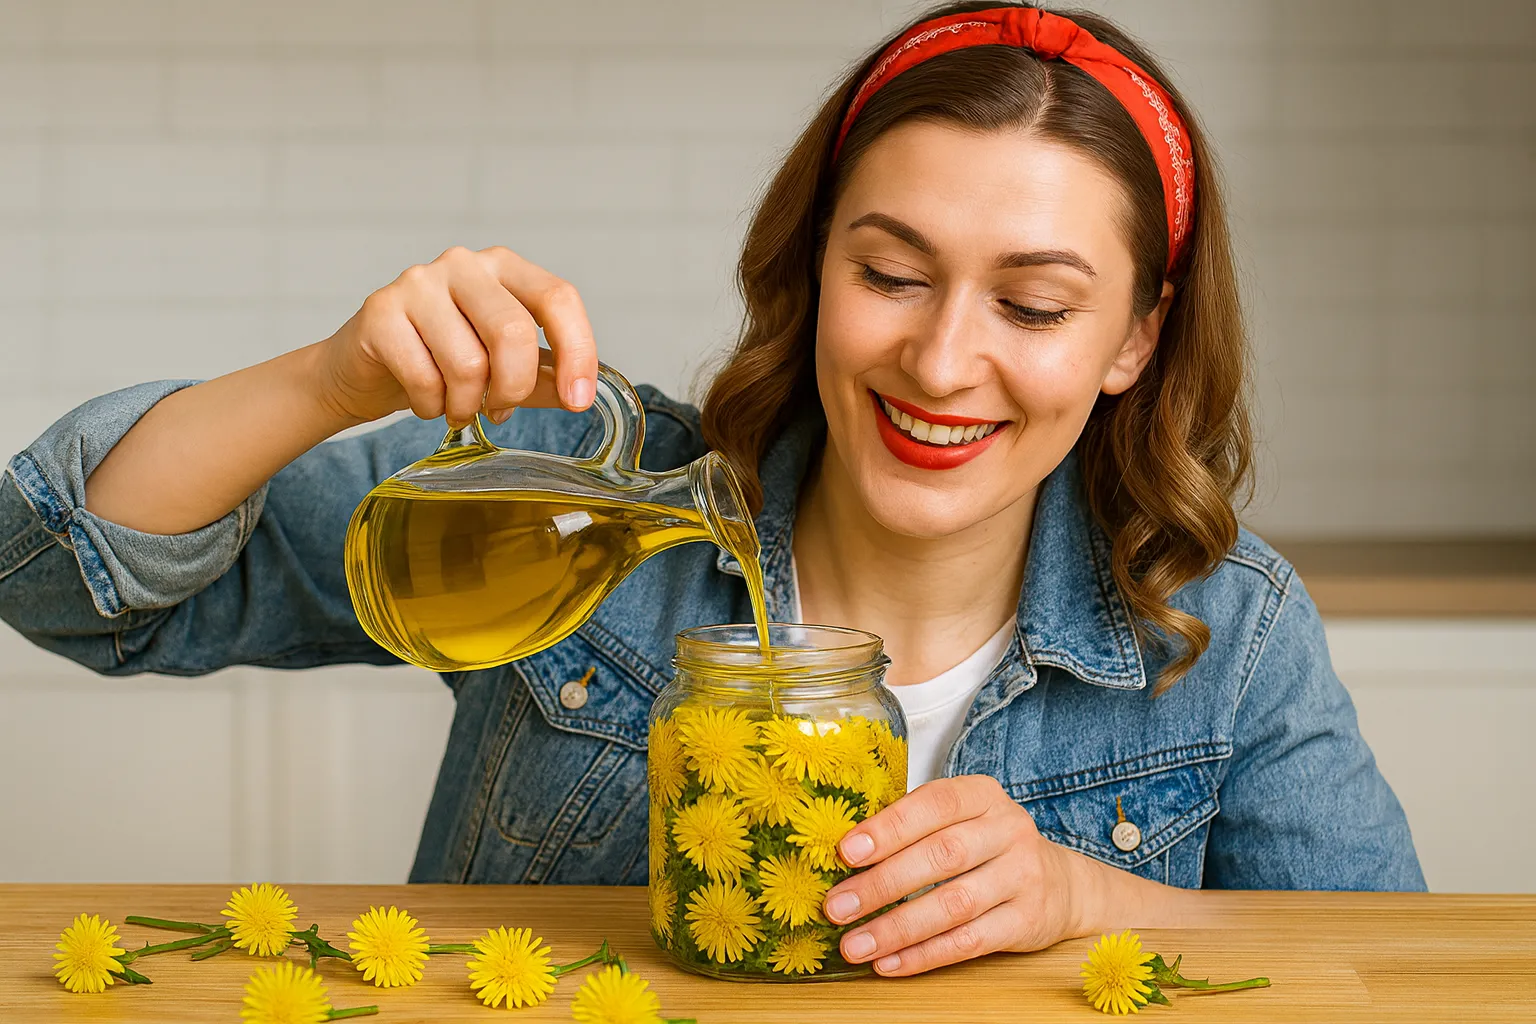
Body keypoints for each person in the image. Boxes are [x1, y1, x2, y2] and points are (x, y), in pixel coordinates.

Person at [0, 1, 1422, 978]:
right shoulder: (582, 497)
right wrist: (331, 379)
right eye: (890, 274)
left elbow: (1402, 961)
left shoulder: (1226, 635)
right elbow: (61, 578)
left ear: (1133, 341)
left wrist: (1084, 896)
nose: (942, 361)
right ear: (814, 269)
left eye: (1034, 306)